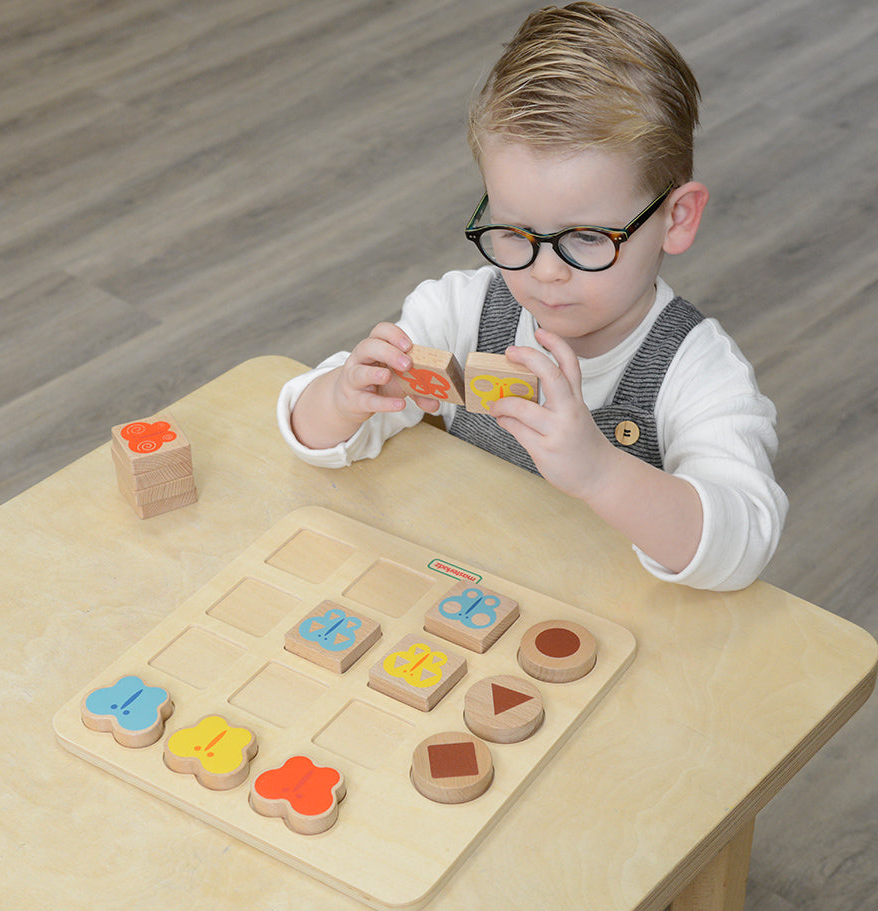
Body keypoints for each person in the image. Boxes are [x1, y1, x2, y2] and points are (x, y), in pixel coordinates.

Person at [276, 1, 787, 591]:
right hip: (463, 601)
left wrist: (600, 472)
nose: (545, 272)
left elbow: (743, 545)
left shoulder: (698, 373)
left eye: (588, 238)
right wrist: (344, 398)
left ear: (676, 218)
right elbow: (312, 438)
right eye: (516, 234)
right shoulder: (457, 314)